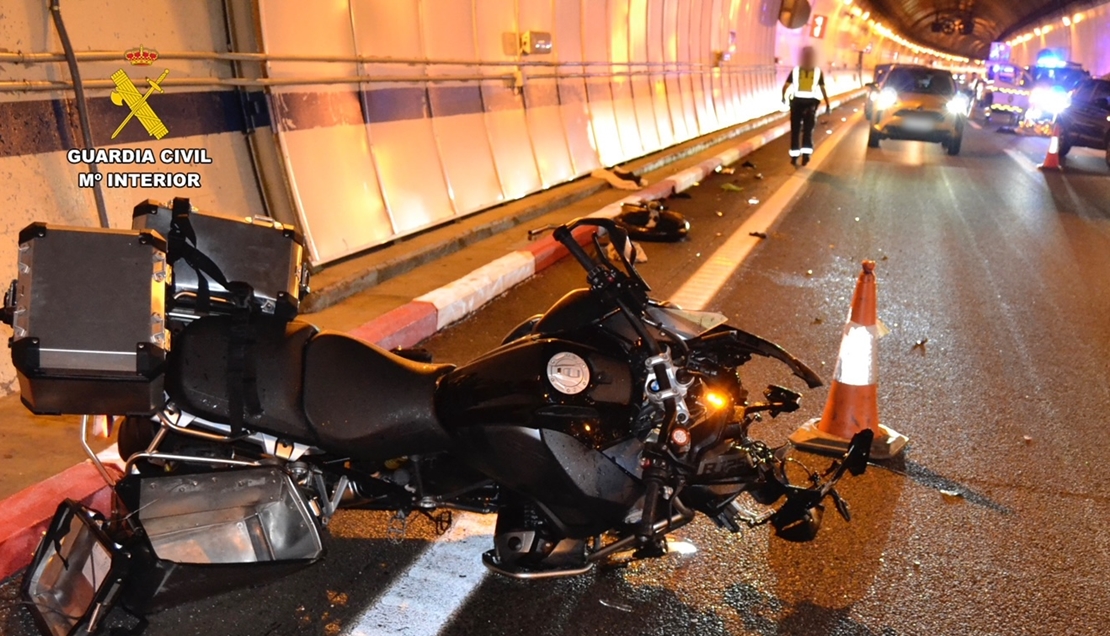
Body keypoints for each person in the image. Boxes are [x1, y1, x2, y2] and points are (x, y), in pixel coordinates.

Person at [782, 46, 831, 166]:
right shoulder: (814, 72)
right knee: (807, 130)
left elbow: (786, 86)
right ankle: (803, 155)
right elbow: (822, 88)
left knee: (797, 130)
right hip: (808, 105)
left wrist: (783, 98)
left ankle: (797, 156)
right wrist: (827, 104)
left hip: (798, 104)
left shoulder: (798, 71)